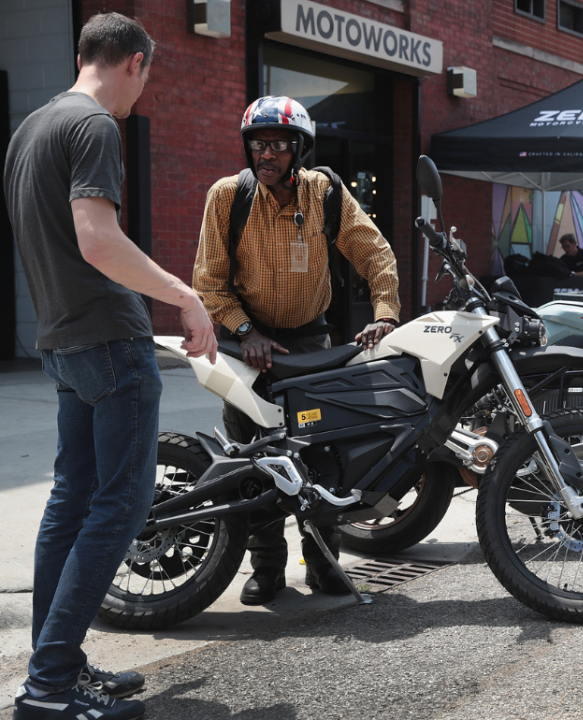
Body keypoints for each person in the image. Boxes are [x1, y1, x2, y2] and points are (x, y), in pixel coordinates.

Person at [3, 12, 217, 720]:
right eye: (146, 77)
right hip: (109, 345)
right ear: (134, 62)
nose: (140, 93)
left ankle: (53, 663)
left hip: (63, 346)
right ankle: (50, 688)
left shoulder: (29, 130)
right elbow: (97, 241)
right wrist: (186, 298)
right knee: (119, 508)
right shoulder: (93, 126)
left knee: (71, 504)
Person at [193, 95, 400, 606]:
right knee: (255, 456)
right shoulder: (226, 197)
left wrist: (385, 314)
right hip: (249, 346)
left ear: (299, 149)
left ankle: (324, 563)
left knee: (321, 453)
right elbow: (208, 282)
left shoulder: (325, 192)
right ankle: (266, 568)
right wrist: (246, 332)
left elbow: (374, 252)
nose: (267, 155)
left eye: (279, 146)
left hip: (311, 342)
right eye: (258, 145)